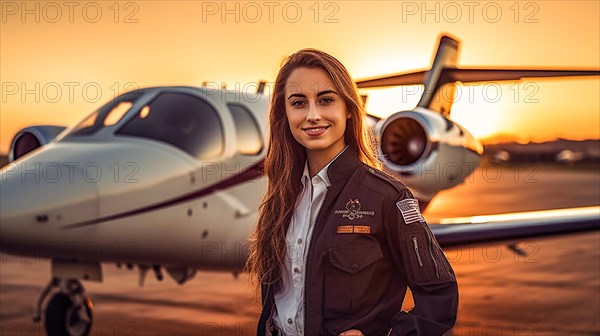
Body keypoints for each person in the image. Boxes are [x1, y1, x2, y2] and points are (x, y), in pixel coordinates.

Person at [246, 49, 458, 336]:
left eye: (326, 100)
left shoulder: (388, 197)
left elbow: (439, 295)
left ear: (348, 108)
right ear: (284, 113)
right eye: (298, 103)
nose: (312, 115)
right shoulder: (280, 197)